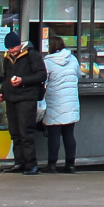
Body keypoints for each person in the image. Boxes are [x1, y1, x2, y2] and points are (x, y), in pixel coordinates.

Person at [0, 32, 47, 174]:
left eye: (12, 47)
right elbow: (6, 78)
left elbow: (41, 74)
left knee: (26, 131)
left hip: (27, 98)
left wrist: (22, 80)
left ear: (19, 44)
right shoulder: (7, 58)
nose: (10, 50)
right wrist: (2, 93)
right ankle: (19, 162)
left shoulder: (32, 55)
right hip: (12, 98)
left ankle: (32, 164)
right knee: (15, 132)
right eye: (8, 48)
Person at [42, 35, 81, 173]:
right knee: (69, 134)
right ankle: (70, 164)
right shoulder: (73, 59)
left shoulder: (48, 62)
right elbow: (78, 75)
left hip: (54, 100)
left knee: (54, 134)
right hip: (71, 101)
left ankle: (52, 164)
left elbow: (43, 81)